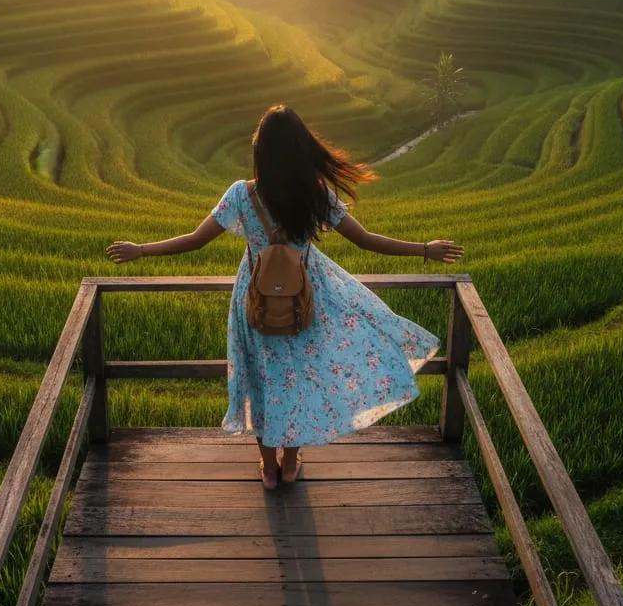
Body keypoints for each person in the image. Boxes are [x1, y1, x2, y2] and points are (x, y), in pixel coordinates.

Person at [107, 105, 464, 490]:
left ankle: (268, 468)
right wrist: (424, 249)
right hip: (304, 298)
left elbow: (195, 240)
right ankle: (291, 463)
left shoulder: (241, 194)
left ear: (260, 150)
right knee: (297, 379)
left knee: (259, 381)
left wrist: (140, 250)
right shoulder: (315, 194)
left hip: (255, 299)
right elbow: (365, 240)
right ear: (301, 148)